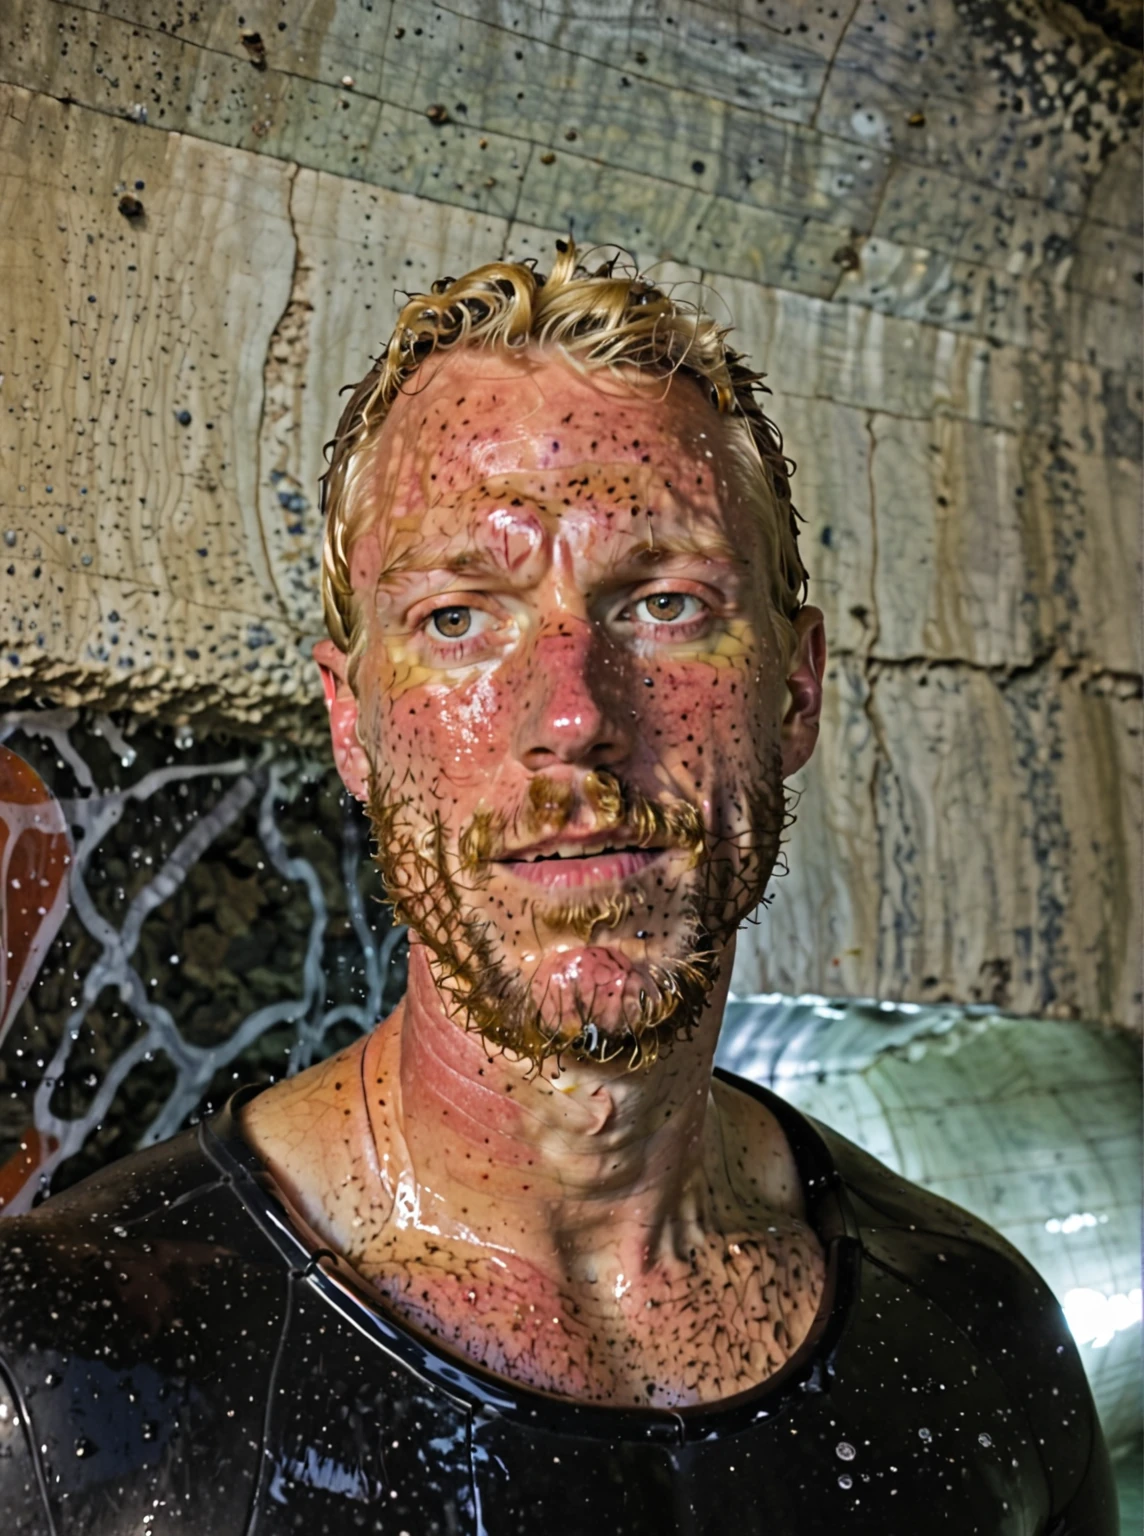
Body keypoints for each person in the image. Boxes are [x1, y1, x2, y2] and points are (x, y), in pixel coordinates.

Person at [0, 242, 1114, 1534]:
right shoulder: (58, 1374)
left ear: (796, 689)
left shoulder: (977, 1331)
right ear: (352, 722)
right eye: (460, 619)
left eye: (667, 603)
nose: (575, 716)